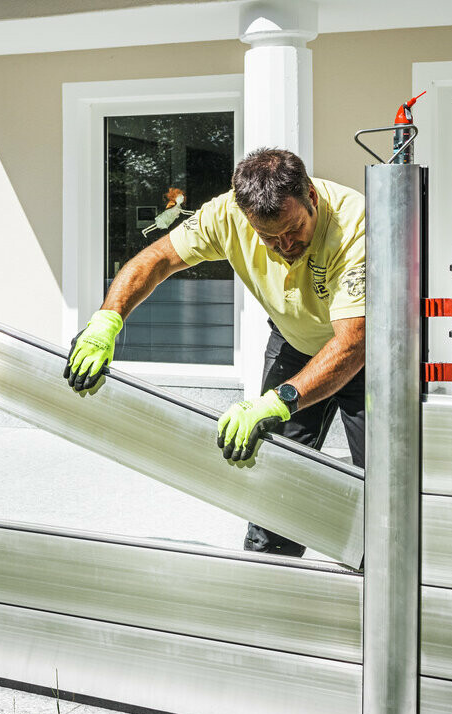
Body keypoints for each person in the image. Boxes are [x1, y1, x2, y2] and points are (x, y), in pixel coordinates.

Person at [64, 148, 366, 557]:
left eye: (293, 230)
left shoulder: (355, 225)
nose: (284, 245)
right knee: (273, 474)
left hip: (369, 355)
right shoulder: (226, 214)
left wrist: (281, 400)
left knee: (383, 484)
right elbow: (157, 259)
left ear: (311, 197)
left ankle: (381, 582)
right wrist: (107, 320)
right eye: (268, 237)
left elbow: (353, 341)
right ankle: (268, 575)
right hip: (296, 341)